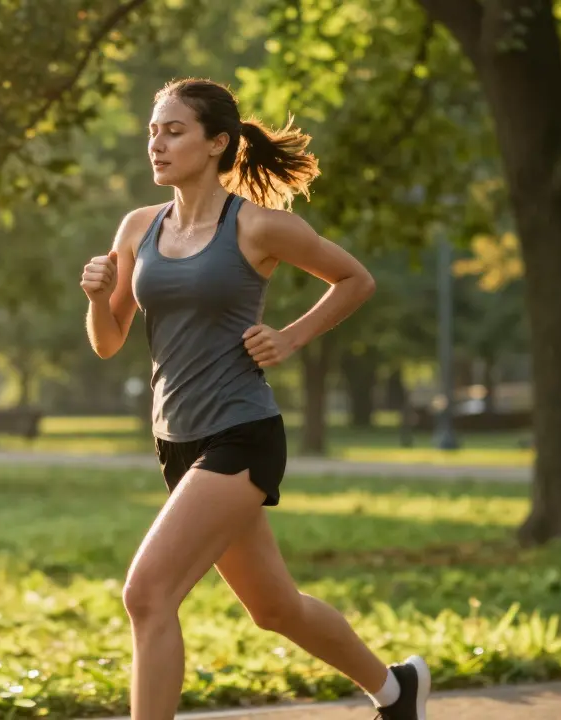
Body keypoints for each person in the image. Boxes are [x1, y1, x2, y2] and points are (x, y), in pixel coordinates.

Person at [79, 77, 431, 720]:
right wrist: (100, 296)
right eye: (152, 130)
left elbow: (355, 278)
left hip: (241, 434)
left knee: (148, 594)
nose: (156, 143)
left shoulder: (260, 227)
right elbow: (108, 343)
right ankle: (395, 690)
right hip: (175, 439)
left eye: (174, 130)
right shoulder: (137, 228)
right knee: (274, 609)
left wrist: (291, 338)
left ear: (217, 143)